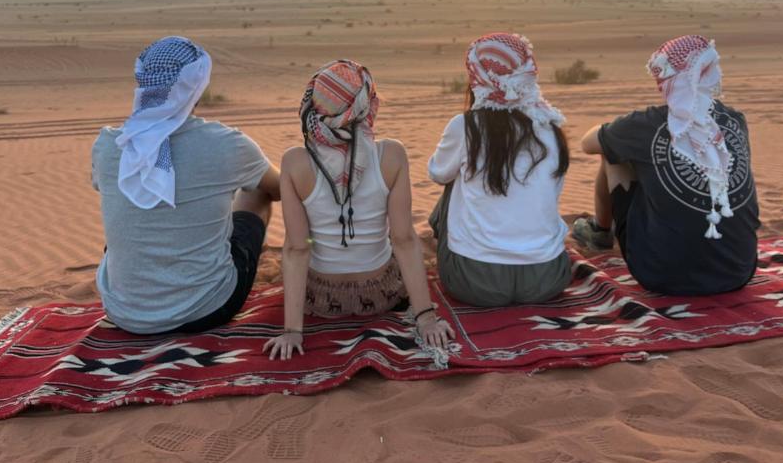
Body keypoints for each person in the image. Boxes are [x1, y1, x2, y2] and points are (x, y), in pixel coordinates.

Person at [263, 59, 453, 360]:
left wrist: (292, 331)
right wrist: (425, 316)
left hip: (320, 298)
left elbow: (297, 248)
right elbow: (403, 239)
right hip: (381, 294)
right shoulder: (391, 155)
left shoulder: (294, 162)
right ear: (366, 104)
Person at [91, 36, 280, 335]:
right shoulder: (226, 144)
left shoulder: (109, 144)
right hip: (207, 309)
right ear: (197, 86)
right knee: (256, 190)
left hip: (123, 314)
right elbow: (279, 188)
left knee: (136, 210)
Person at [575, 35, 760, 295]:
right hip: (738, 271)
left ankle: (601, 232)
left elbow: (587, 143)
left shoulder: (645, 124)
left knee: (612, 150)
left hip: (661, 275)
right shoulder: (735, 121)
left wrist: (616, 131)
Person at [427, 32, 572, 307]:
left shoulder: (466, 126)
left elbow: (437, 174)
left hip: (474, 282)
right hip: (547, 279)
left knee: (453, 178)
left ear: (477, 75)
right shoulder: (550, 127)